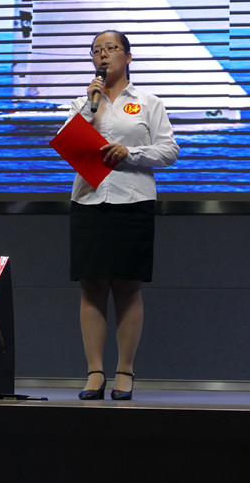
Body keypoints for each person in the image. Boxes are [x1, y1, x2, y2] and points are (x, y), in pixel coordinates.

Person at [62, 30, 179, 401]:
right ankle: (95, 373)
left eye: (111, 48)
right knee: (92, 287)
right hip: (89, 200)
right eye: (96, 50)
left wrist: (131, 154)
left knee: (127, 287)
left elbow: (169, 151)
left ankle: (125, 371)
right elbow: (67, 144)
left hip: (132, 200)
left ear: (128, 56)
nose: (103, 55)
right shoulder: (81, 102)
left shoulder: (148, 102)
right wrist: (90, 105)